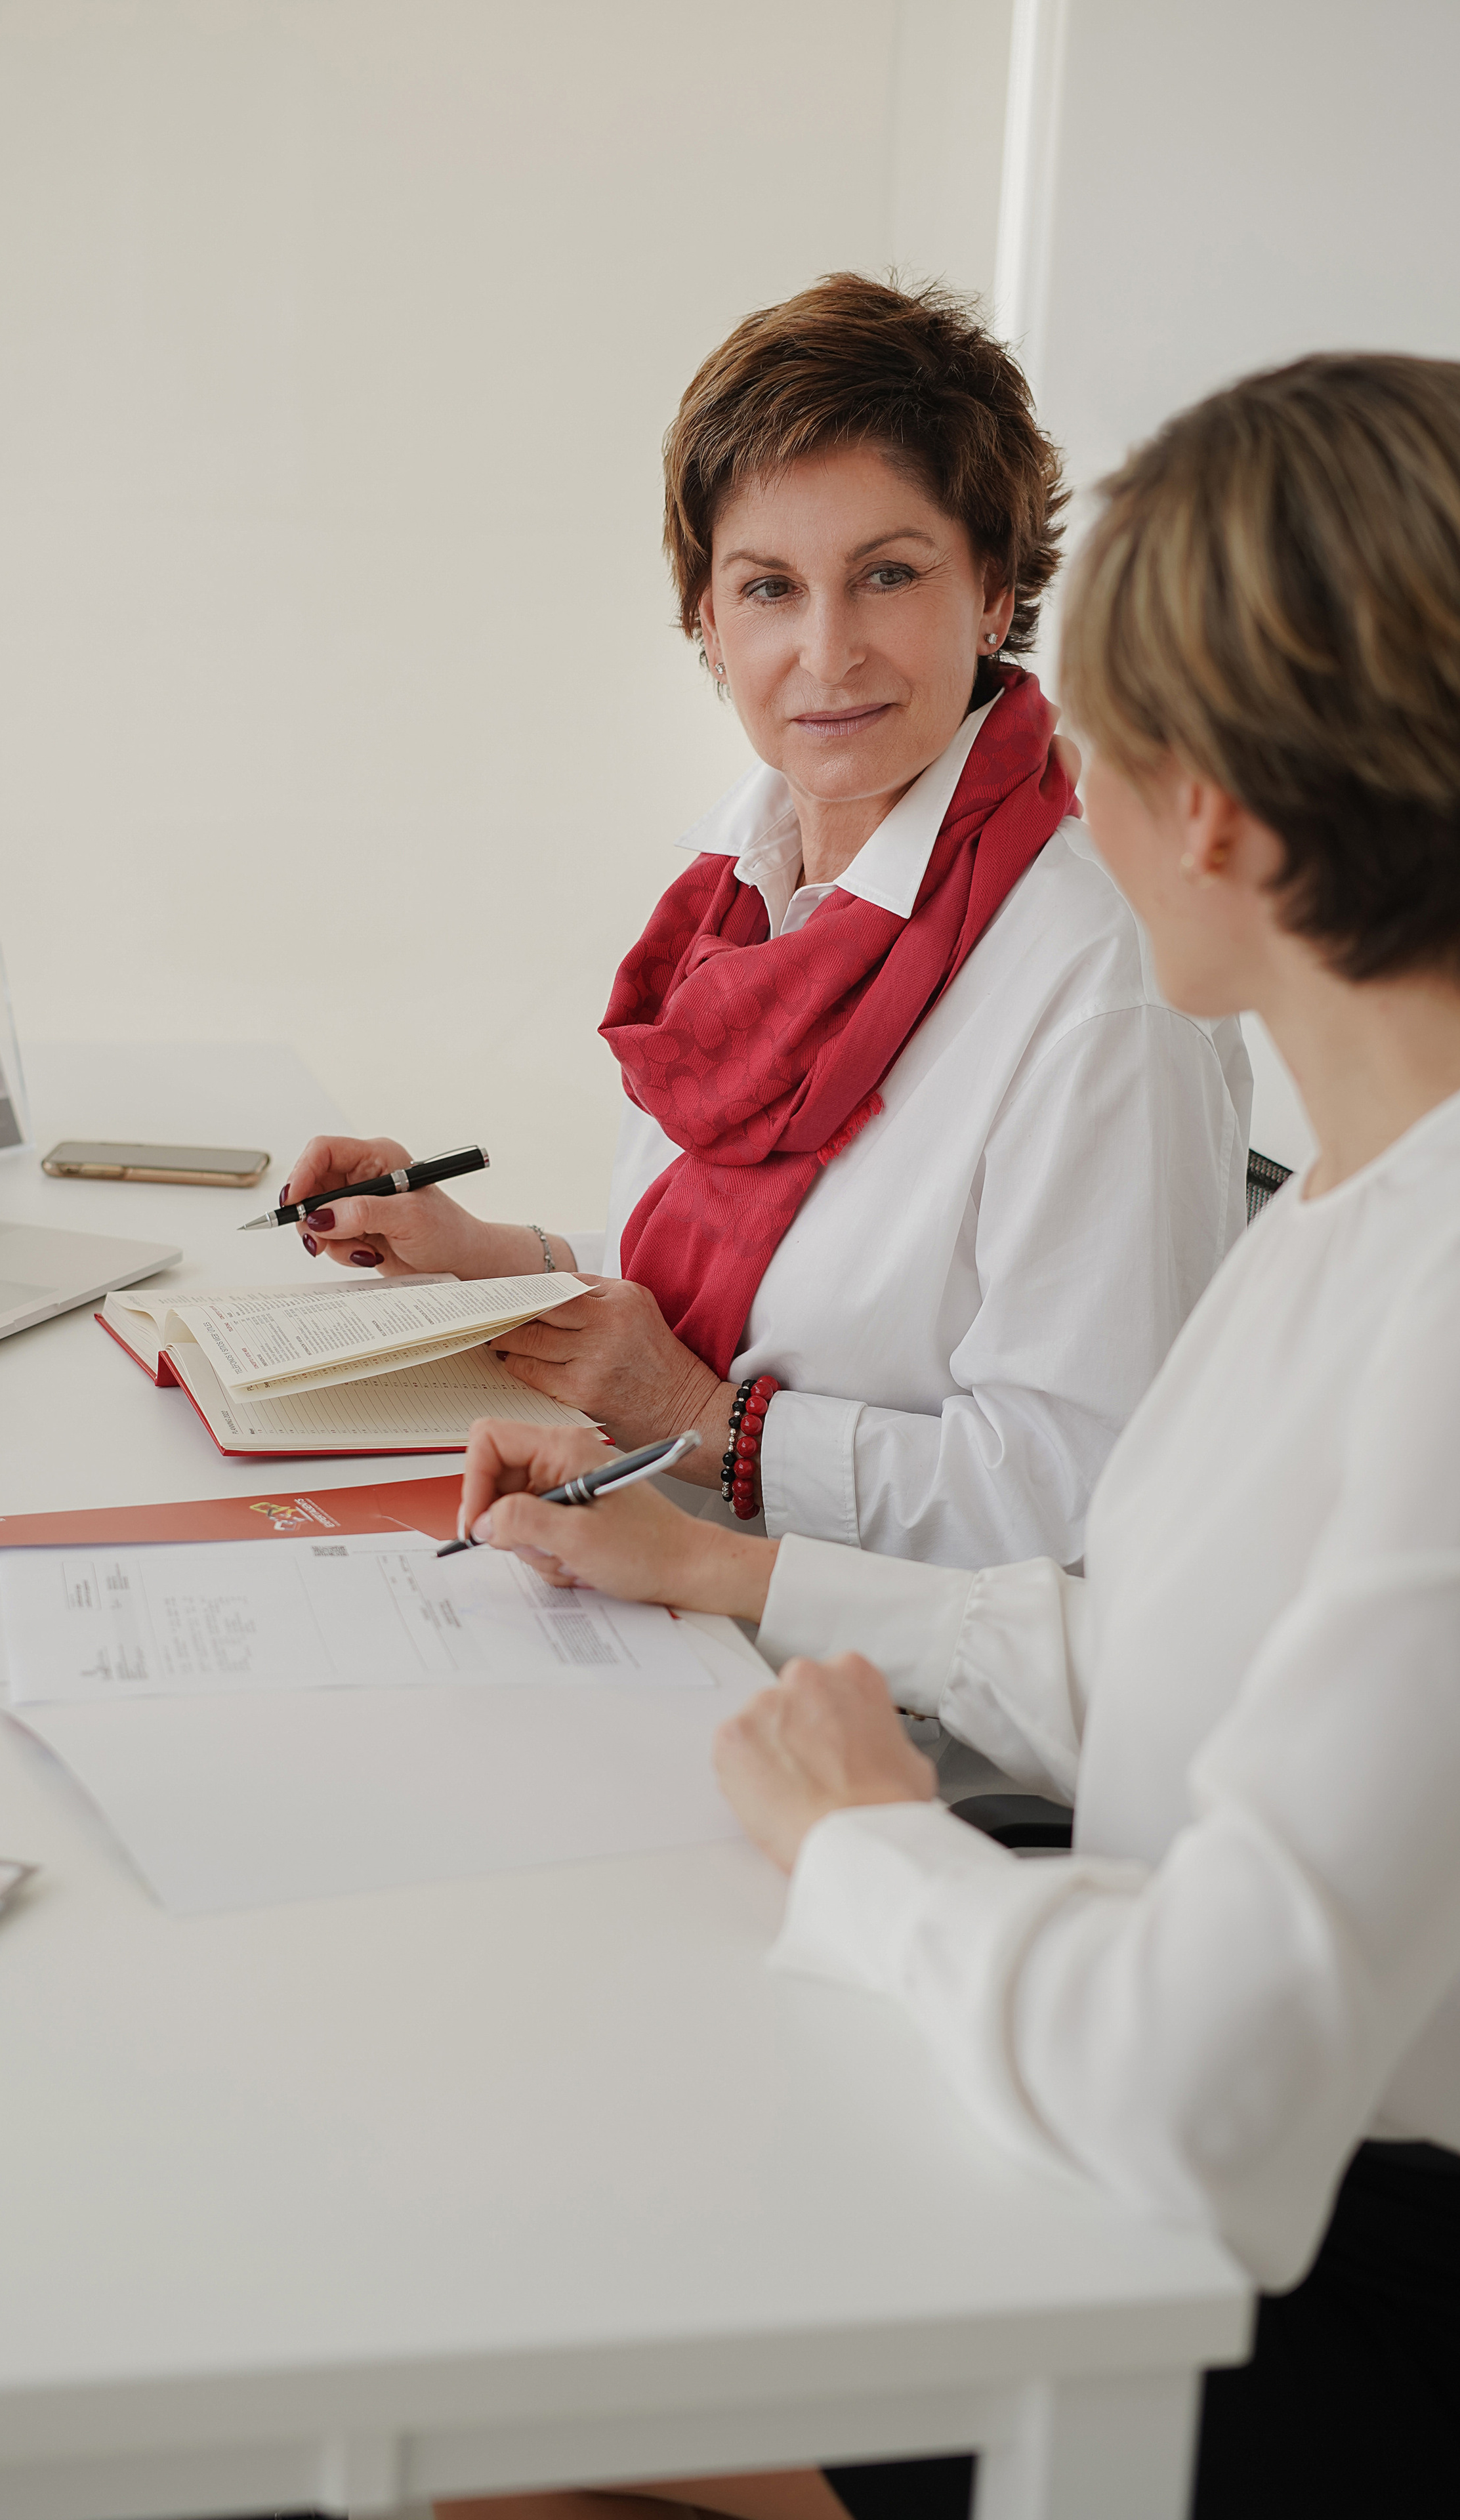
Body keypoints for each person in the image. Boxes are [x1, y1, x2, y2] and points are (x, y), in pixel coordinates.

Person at [441, 351, 1460, 2516]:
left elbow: (1204, 2085)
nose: (1052, 780)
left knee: (484, 2399)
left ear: (1211, 812)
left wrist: (866, 1856)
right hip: (1206, 2127)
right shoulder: (1362, 1202)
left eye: (1099, 735)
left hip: (1337, 2270)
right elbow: (1161, 1650)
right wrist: (727, 1563)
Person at [285, 276, 1249, 1574]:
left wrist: (703, 1422)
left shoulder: (1103, 979)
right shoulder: (742, 900)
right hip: (653, 1580)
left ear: (991, 591)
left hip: (854, 1669)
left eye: (888, 575)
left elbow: (1086, 1502)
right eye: (769, 588)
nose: (827, 651)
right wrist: (487, 1259)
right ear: (706, 619)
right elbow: (762, 1290)